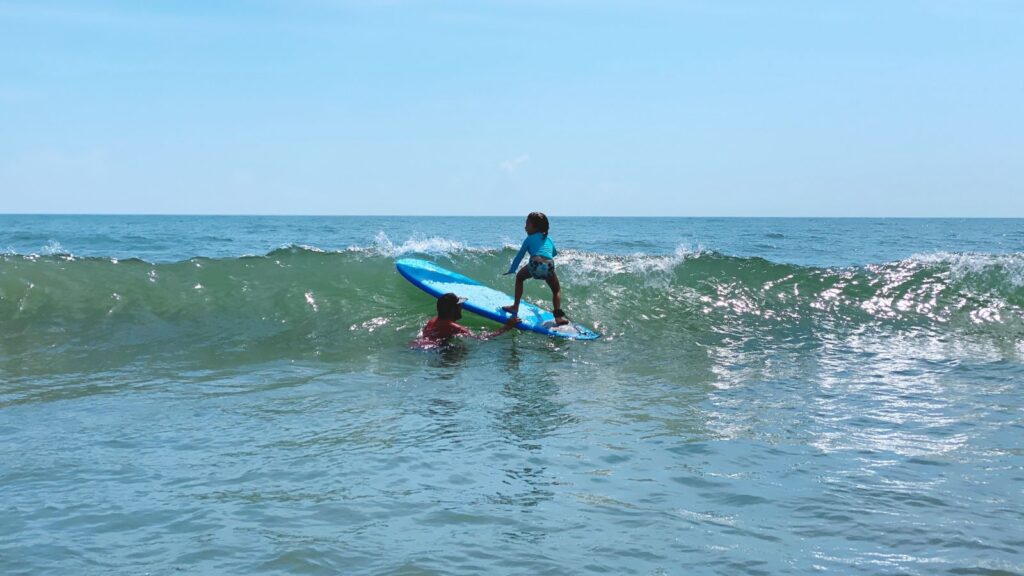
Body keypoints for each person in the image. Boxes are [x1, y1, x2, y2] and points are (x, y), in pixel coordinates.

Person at [501, 212, 569, 325]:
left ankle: (515, 307)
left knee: (519, 278)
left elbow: (520, 256)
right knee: (556, 290)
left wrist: (512, 270)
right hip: (549, 266)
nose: (525, 227)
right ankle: (558, 317)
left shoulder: (529, 239)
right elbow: (554, 253)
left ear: (536, 227)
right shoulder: (549, 239)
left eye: (528, 224)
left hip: (535, 264)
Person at [416, 292, 518, 345]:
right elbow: (480, 339)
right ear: (453, 309)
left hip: (420, 345)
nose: (461, 308)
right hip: (435, 350)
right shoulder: (455, 327)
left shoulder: (433, 320)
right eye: (459, 306)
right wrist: (506, 327)